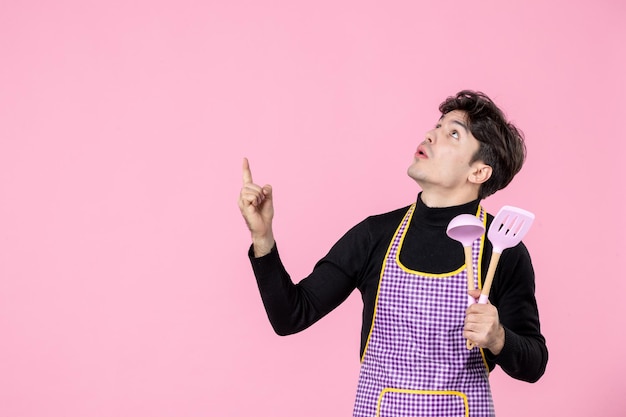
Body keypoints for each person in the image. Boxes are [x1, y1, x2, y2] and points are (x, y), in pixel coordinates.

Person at [238, 90, 548, 417]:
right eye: (437, 126)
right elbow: (291, 316)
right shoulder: (375, 235)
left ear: (478, 172)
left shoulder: (502, 247)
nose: (430, 134)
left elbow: (534, 363)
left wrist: (499, 338)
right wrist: (262, 236)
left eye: (452, 133)